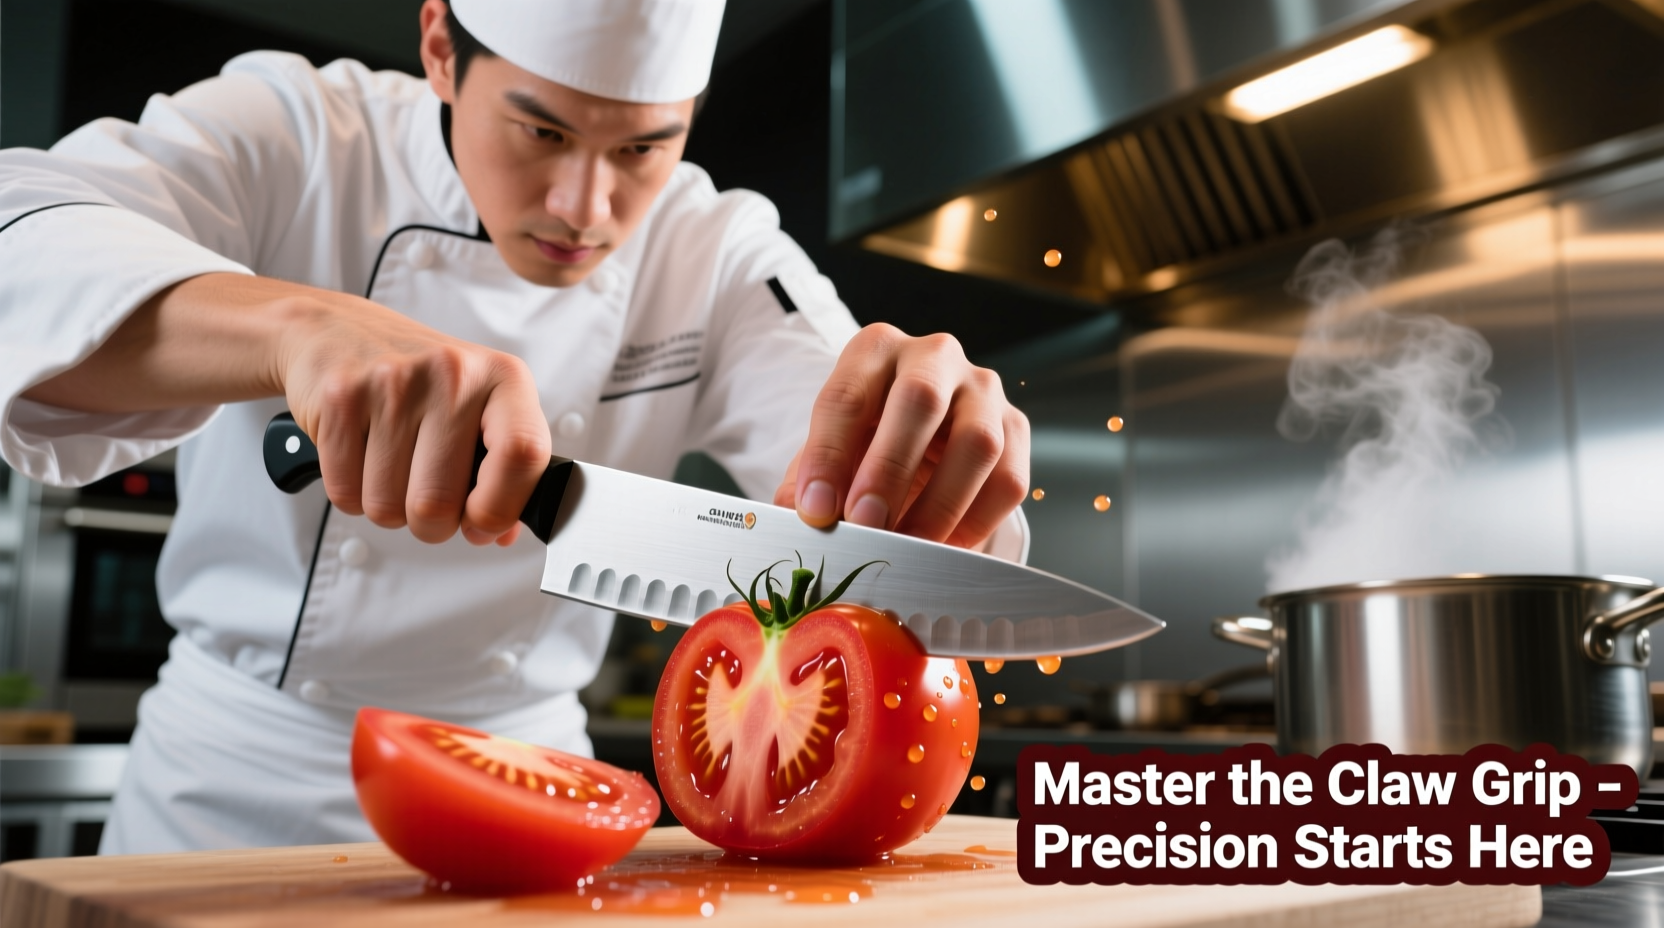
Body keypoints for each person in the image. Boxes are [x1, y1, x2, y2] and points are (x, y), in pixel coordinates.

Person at [0, 0, 1030, 853]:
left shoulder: (713, 248)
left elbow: (858, 483)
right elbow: (23, 239)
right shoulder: (298, 132)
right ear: (442, 49)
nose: (585, 205)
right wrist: (293, 328)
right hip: (227, 791)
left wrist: (924, 442)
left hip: (537, 790)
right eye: (541, 131)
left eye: (644, 145)